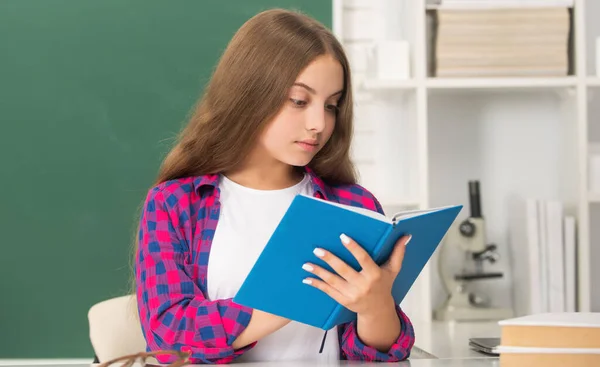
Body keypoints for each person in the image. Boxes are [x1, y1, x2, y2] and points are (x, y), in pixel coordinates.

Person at [134, 8, 415, 365]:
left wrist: (376, 307)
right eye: (299, 101)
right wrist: (285, 301)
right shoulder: (176, 203)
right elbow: (168, 336)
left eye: (331, 105)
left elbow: (374, 354)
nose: (318, 123)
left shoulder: (353, 205)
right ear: (250, 94)